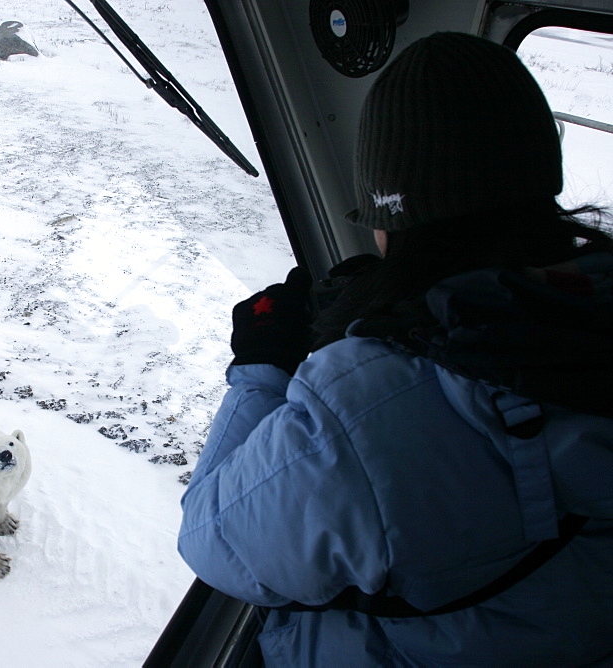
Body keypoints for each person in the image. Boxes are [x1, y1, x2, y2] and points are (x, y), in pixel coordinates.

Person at [177, 32, 613, 666]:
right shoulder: (591, 304)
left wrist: (261, 367)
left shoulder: (364, 417)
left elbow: (211, 542)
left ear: (392, 217)